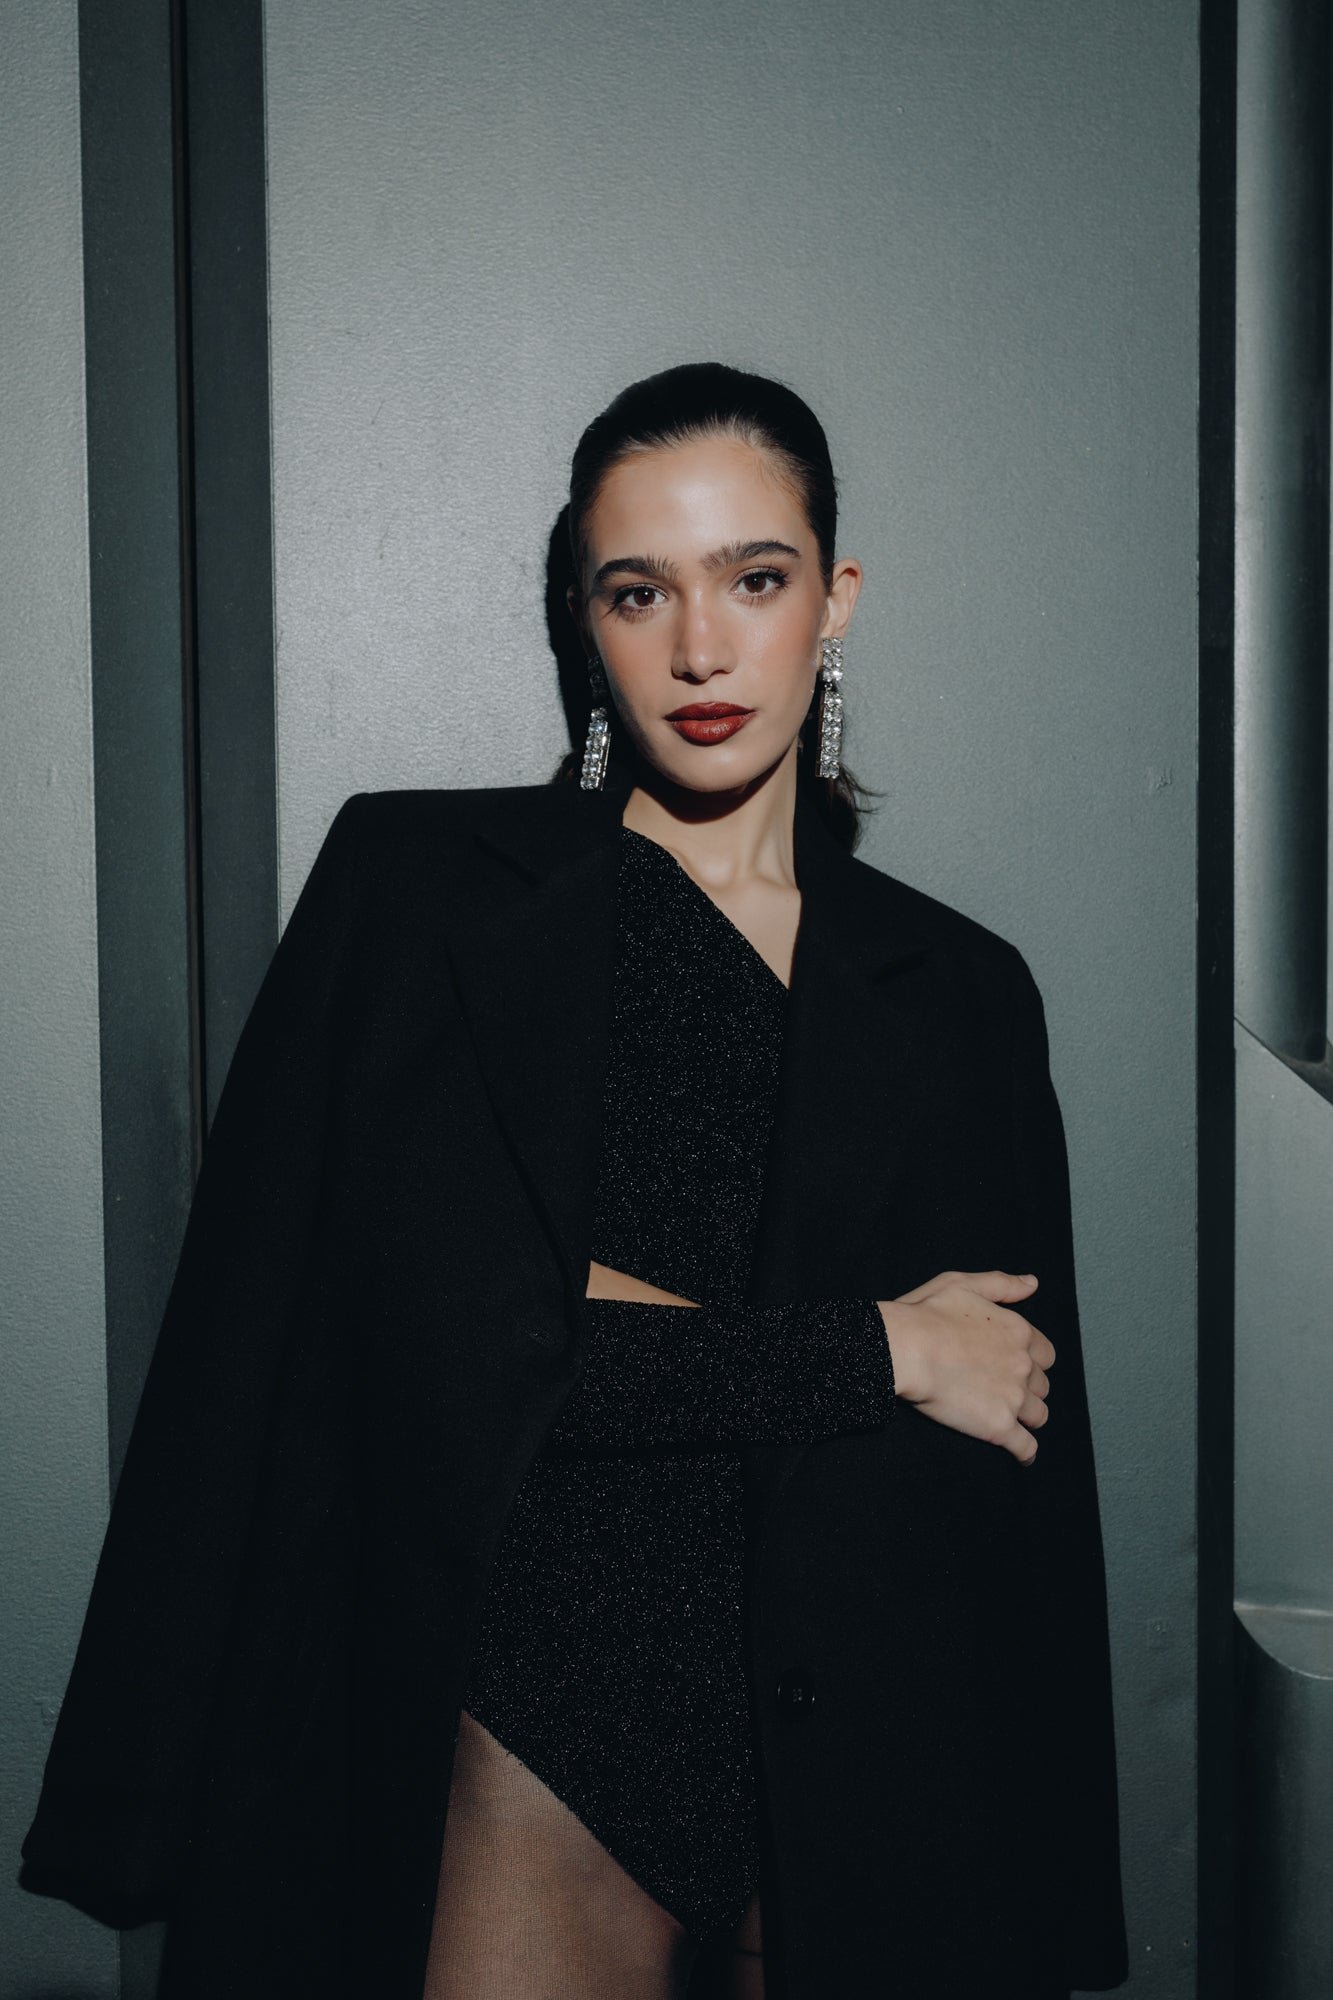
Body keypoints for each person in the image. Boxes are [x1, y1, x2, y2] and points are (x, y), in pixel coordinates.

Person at [21, 363, 1128, 2000]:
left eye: (755, 579)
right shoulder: (425, 897)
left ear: (835, 597)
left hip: (858, 1743)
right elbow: (448, 1356)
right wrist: (877, 1348)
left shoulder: (955, 989)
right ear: (583, 618)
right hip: (534, 1709)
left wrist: (1051, 1882)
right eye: (639, 591)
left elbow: (1010, 1429)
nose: (700, 650)